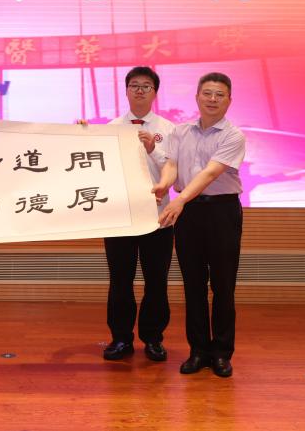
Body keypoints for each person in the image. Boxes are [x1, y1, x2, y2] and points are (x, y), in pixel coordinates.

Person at [152, 72, 245, 378]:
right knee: (193, 285)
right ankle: (198, 351)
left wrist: (178, 200)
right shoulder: (180, 132)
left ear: (229, 100)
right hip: (189, 214)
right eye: (207, 93)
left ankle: (221, 353)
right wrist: (164, 185)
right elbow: (172, 165)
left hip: (222, 212)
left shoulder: (233, 135)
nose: (212, 99)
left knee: (222, 286)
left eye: (220, 95)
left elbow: (210, 173)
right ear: (197, 97)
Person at [102, 66, 175, 361]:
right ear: (126, 90)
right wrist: (82, 136)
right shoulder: (110, 128)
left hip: (158, 217)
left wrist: (152, 148)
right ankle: (120, 338)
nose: (140, 90)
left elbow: (174, 168)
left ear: (155, 92)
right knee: (120, 280)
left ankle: (153, 339)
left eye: (146, 86)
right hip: (120, 216)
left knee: (156, 281)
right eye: (134, 85)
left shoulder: (169, 129)